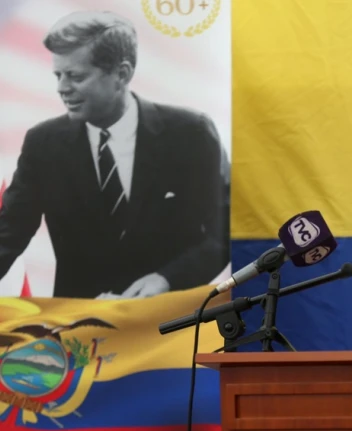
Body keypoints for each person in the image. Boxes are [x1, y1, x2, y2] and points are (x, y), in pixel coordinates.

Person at [0, 11, 229, 299]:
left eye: (75, 76)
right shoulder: (42, 144)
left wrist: (167, 279)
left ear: (122, 74)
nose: (61, 88)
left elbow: (225, 232)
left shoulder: (191, 133)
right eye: (58, 75)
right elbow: (8, 235)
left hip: (172, 324)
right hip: (80, 332)